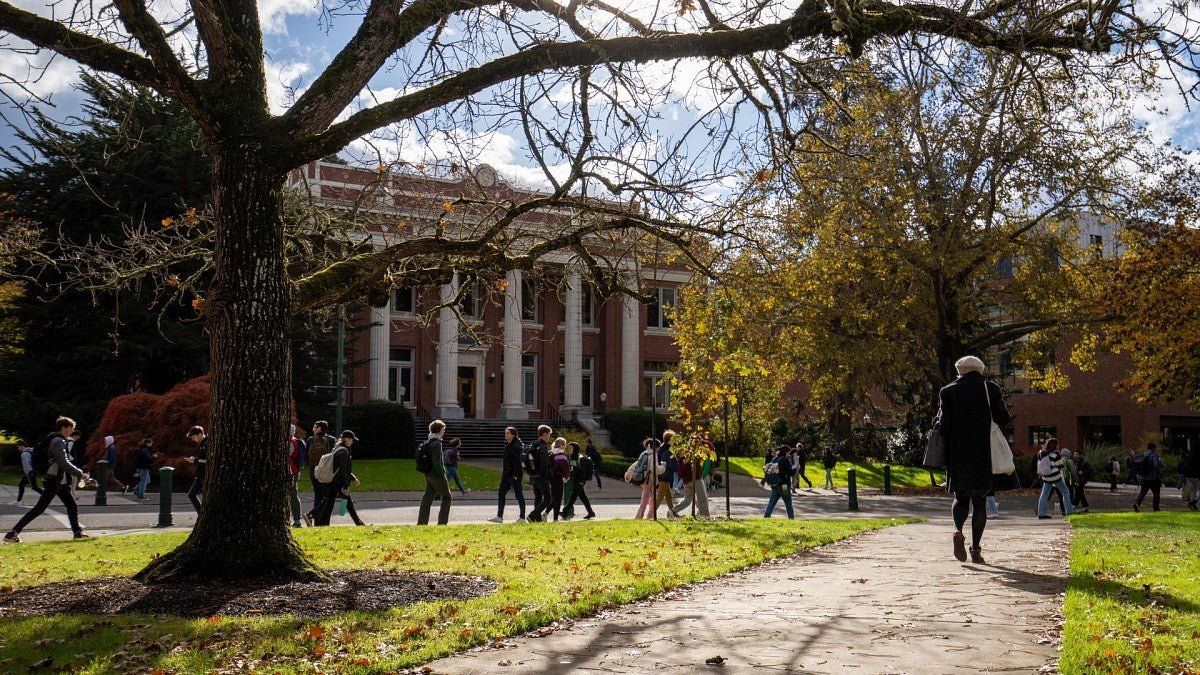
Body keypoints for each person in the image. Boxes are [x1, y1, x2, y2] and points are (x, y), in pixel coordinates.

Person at [938, 355, 1011, 564]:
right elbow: (1004, 418)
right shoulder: (990, 388)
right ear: (980, 370)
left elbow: (944, 426)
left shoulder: (947, 391)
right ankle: (976, 549)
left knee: (960, 497)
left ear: (959, 370)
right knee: (980, 502)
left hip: (958, 453)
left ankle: (957, 530)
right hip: (983, 453)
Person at [5, 416, 90, 542]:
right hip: (54, 480)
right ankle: (12, 533)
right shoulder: (58, 441)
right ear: (64, 428)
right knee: (39, 508)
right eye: (71, 429)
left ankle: (77, 532)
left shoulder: (53, 439)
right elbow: (64, 462)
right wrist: (80, 474)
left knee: (71, 506)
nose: (72, 432)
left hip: (59, 480)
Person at [315, 430, 362, 525]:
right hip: (340, 482)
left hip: (333, 480)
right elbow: (344, 470)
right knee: (349, 504)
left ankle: (322, 523)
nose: (352, 442)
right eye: (351, 439)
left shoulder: (337, 448)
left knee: (329, 503)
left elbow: (341, 469)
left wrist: (353, 478)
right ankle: (358, 523)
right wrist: (345, 486)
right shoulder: (344, 452)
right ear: (346, 439)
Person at [417, 420, 452, 525]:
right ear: (439, 430)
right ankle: (442, 523)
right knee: (447, 497)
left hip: (428, 473)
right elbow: (437, 461)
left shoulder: (429, 441)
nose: (444, 431)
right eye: (443, 429)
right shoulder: (437, 443)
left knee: (427, 498)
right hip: (436, 474)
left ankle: (422, 522)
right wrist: (442, 473)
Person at [488, 426, 526, 523]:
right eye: (505, 433)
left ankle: (522, 517)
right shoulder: (507, 445)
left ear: (513, 434)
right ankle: (499, 516)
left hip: (514, 475)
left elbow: (519, 462)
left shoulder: (517, 446)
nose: (506, 435)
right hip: (506, 475)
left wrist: (515, 474)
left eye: (508, 433)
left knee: (519, 495)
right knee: (501, 494)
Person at [670, 435, 710, 518]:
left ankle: (673, 510)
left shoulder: (684, 453)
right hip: (696, 478)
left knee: (687, 499)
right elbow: (712, 448)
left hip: (686, 480)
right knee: (703, 499)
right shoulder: (696, 453)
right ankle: (704, 516)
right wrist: (703, 441)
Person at [303, 420, 333, 527]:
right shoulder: (330, 439)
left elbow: (306, 455)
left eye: (315, 427)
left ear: (320, 428)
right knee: (327, 497)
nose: (313, 429)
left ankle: (316, 522)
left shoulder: (311, 440)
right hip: (325, 472)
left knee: (317, 495)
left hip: (313, 471)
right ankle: (322, 521)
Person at [1035, 439, 1074, 519]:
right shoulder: (1056, 455)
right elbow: (1060, 465)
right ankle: (1069, 511)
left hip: (1045, 476)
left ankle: (1041, 513)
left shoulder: (1041, 453)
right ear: (1055, 446)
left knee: (1044, 495)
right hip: (1055, 476)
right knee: (1065, 492)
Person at [562, 441, 597, 520]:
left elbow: (583, 472)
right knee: (583, 497)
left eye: (571, 448)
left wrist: (581, 481)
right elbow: (571, 469)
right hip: (574, 480)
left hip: (579, 481)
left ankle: (565, 511)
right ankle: (591, 512)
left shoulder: (580, 458)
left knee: (573, 497)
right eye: (569, 448)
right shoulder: (571, 457)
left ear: (575, 448)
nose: (569, 449)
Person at [525, 425, 553, 522]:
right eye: (549, 434)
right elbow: (544, 464)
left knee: (538, 497)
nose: (549, 437)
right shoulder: (542, 447)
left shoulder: (533, 444)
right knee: (548, 498)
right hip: (541, 476)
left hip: (532, 475)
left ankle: (537, 518)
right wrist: (547, 476)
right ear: (545, 434)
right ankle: (532, 516)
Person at [1132, 442, 1165, 512]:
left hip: (1143, 477)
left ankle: (1137, 504)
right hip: (1153, 478)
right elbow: (1156, 465)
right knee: (1156, 494)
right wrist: (1158, 473)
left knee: (1142, 493)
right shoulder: (1154, 455)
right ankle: (1156, 508)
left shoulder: (1143, 454)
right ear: (1153, 448)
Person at [763, 445, 795, 519]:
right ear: (786, 452)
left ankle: (766, 516)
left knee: (771, 502)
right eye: (789, 453)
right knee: (788, 502)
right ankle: (791, 517)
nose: (789, 454)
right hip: (783, 485)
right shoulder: (785, 460)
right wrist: (795, 468)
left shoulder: (774, 459)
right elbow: (790, 472)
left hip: (774, 484)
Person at [633, 438, 659, 519]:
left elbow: (636, 464)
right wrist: (663, 467)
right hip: (649, 479)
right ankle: (641, 516)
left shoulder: (643, 454)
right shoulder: (653, 455)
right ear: (655, 447)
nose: (659, 449)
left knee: (652, 497)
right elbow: (654, 469)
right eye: (658, 447)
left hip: (642, 478)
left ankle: (649, 515)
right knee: (647, 499)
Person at [655, 430, 679, 519]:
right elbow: (671, 463)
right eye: (674, 439)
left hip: (663, 475)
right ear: (670, 439)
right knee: (660, 496)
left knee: (668, 497)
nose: (675, 441)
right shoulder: (668, 450)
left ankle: (673, 512)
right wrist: (678, 467)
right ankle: (652, 513)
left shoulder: (662, 448)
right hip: (665, 475)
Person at [185, 425, 208, 514]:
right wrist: (195, 459)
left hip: (204, 475)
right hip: (200, 475)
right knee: (191, 495)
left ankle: (203, 515)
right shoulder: (202, 445)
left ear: (200, 434)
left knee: (194, 495)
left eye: (194, 437)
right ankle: (202, 515)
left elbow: (209, 461)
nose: (193, 440)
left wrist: (195, 460)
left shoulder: (207, 444)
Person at [10, 441, 42, 506]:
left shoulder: (24, 454)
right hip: (32, 471)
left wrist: (28, 473)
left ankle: (46, 496)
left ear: (22, 446)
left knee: (34, 487)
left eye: (18, 447)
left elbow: (26, 465)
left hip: (29, 472)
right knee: (22, 485)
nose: (18, 448)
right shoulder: (31, 451)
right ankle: (19, 501)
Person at [548, 437, 571, 521]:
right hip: (558, 479)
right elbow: (566, 469)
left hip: (551, 478)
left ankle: (546, 513)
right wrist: (567, 477)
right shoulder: (561, 456)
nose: (565, 447)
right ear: (561, 445)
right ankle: (555, 518)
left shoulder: (551, 453)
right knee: (558, 499)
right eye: (564, 445)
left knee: (554, 498)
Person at [287, 425, 306, 527]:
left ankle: (297, 519)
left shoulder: (291, 442)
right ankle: (297, 519)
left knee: (293, 495)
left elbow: (288, 454)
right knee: (293, 494)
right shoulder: (295, 441)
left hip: (291, 470)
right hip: (294, 470)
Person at [1070, 447, 1092, 514]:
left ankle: (1074, 505)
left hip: (1082, 478)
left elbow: (1090, 470)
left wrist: (1083, 472)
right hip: (1076, 478)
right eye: (1074, 454)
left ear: (1080, 455)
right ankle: (1085, 506)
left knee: (1078, 491)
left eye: (1076, 454)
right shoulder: (1073, 462)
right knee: (1080, 492)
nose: (1075, 456)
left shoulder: (1084, 462)